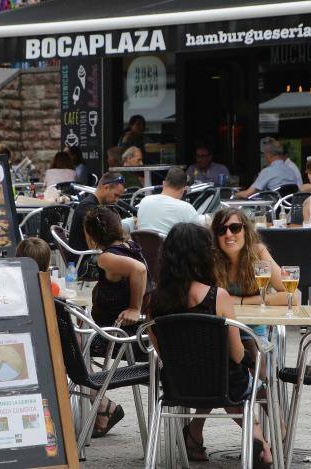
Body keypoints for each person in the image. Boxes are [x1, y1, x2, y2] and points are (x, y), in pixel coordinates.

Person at [146, 222, 272, 466]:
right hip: (223, 383)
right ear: (204, 255)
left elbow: (164, 354)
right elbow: (236, 355)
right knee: (237, 377)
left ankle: (196, 436)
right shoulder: (218, 296)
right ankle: (262, 442)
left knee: (214, 376)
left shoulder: (153, 301)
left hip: (177, 385)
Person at [83, 206, 149, 438]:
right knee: (71, 342)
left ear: (91, 234)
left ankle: (103, 407)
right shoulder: (129, 246)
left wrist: (134, 307)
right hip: (128, 333)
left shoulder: (107, 257)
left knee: (61, 348)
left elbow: (139, 270)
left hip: (117, 338)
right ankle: (102, 407)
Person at [68, 172, 126, 252]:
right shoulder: (87, 207)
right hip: (84, 258)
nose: (116, 200)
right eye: (115, 195)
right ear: (106, 187)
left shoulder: (95, 205)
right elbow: (98, 242)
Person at [136, 167, 199, 234]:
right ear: (183, 190)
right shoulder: (187, 208)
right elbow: (196, 235)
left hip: (143, 244)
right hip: (170, 244)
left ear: (163, 183)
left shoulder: (144, 201)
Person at [235, 140, 301, 199]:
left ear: (268, 154)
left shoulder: (267, 171)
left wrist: (235, 195)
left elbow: (247, 194)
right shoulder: (291, 170)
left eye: (264, 154)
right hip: (289, 208)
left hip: (272, 209)